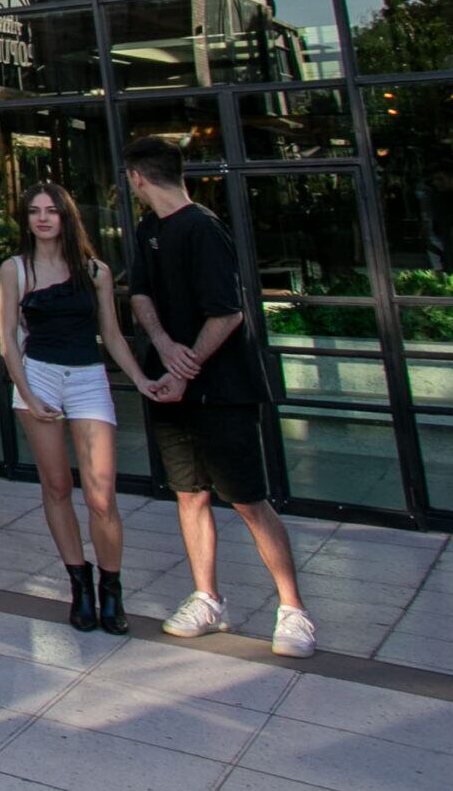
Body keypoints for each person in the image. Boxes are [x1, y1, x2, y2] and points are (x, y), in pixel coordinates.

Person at [124, 136, 317, 657]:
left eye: (130, 177)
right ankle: (208, 598)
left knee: (249, 500)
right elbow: (139, 292)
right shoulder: (148, 229)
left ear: (137, 177)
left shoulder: (202, 228)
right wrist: (165, 348)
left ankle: (293, 610)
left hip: (223, 389)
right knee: (190, 493)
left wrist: (188, 365)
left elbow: (227, 312)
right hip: (172, 386)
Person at [0, 181, 165, 636]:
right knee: (55, 486)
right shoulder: (15, 269)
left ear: (67, 216)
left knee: (100, 494)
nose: (43, 218)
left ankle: (113, 589)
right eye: (34, 211)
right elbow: (8, 339)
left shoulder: (95, 271)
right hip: (39, 376)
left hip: (88, 377)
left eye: (51, 210)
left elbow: (111, 335)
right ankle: (80, 586)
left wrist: (142, 380)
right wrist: (28, 395)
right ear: (26, 219)